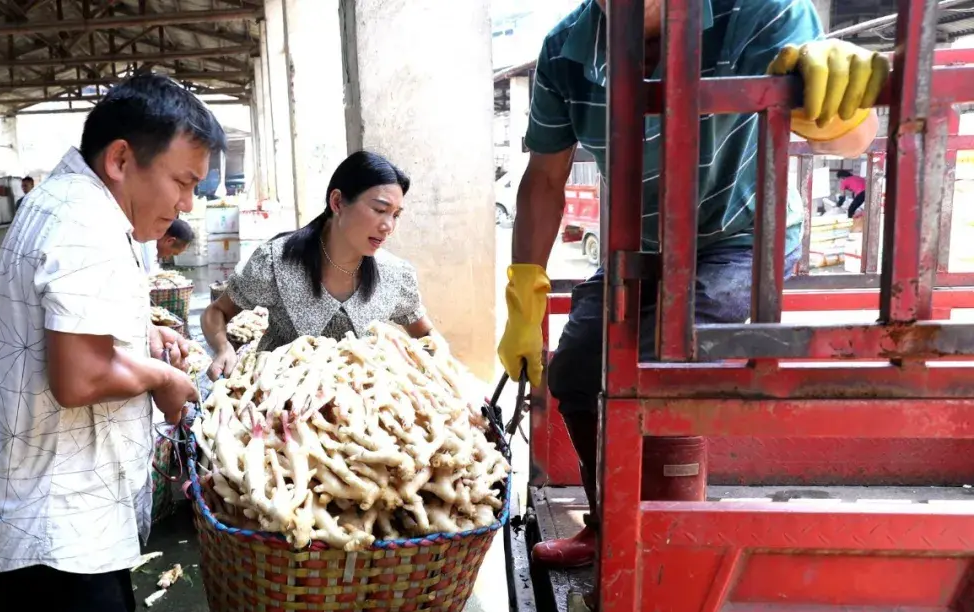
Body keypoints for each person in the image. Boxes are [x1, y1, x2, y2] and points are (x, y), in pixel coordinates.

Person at [497, 0, 888, 569]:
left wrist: (839, 112)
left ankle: (662, 557)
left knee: (665, 363)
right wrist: (524, 298)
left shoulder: (763, 13)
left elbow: (853, 140)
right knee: (576, 367)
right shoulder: (567, 50)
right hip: (641, 239)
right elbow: (544, 177)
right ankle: (611, 525)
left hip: (742, 235)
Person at [0, 73, 223, 612]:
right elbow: (78, 375)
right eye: (182, 180)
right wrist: (165, 381)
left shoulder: (80, 204)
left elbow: (84, 336)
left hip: (71, 511)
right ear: (120, 160)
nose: (186, 204)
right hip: (49, 530)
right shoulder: (83, 222)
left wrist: (142, 342)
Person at [201, 150, 434, 380]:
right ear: (337, 202)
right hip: (279, 402)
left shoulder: (394, 275)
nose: (388, 226)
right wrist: (223, 348)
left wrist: (441, 367)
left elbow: (426, 336)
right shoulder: (276, 263)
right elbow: (217, 311)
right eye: (379, 210)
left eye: (395, 215)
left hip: (360, 406)